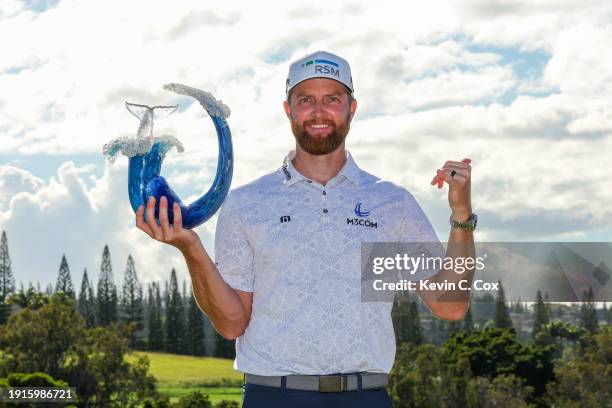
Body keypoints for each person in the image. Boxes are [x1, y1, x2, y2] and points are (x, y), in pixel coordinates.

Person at [136, 50, 477, 408]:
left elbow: (449, 305)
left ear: (352, 108)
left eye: (332, 99)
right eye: (306, 100)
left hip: (366, 398)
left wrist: (461, 214)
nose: (319, 111)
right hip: (272, 396)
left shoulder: (392, 203)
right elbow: (233, 323)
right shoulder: (247, 203)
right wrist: (190, 247)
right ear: (289, 110)